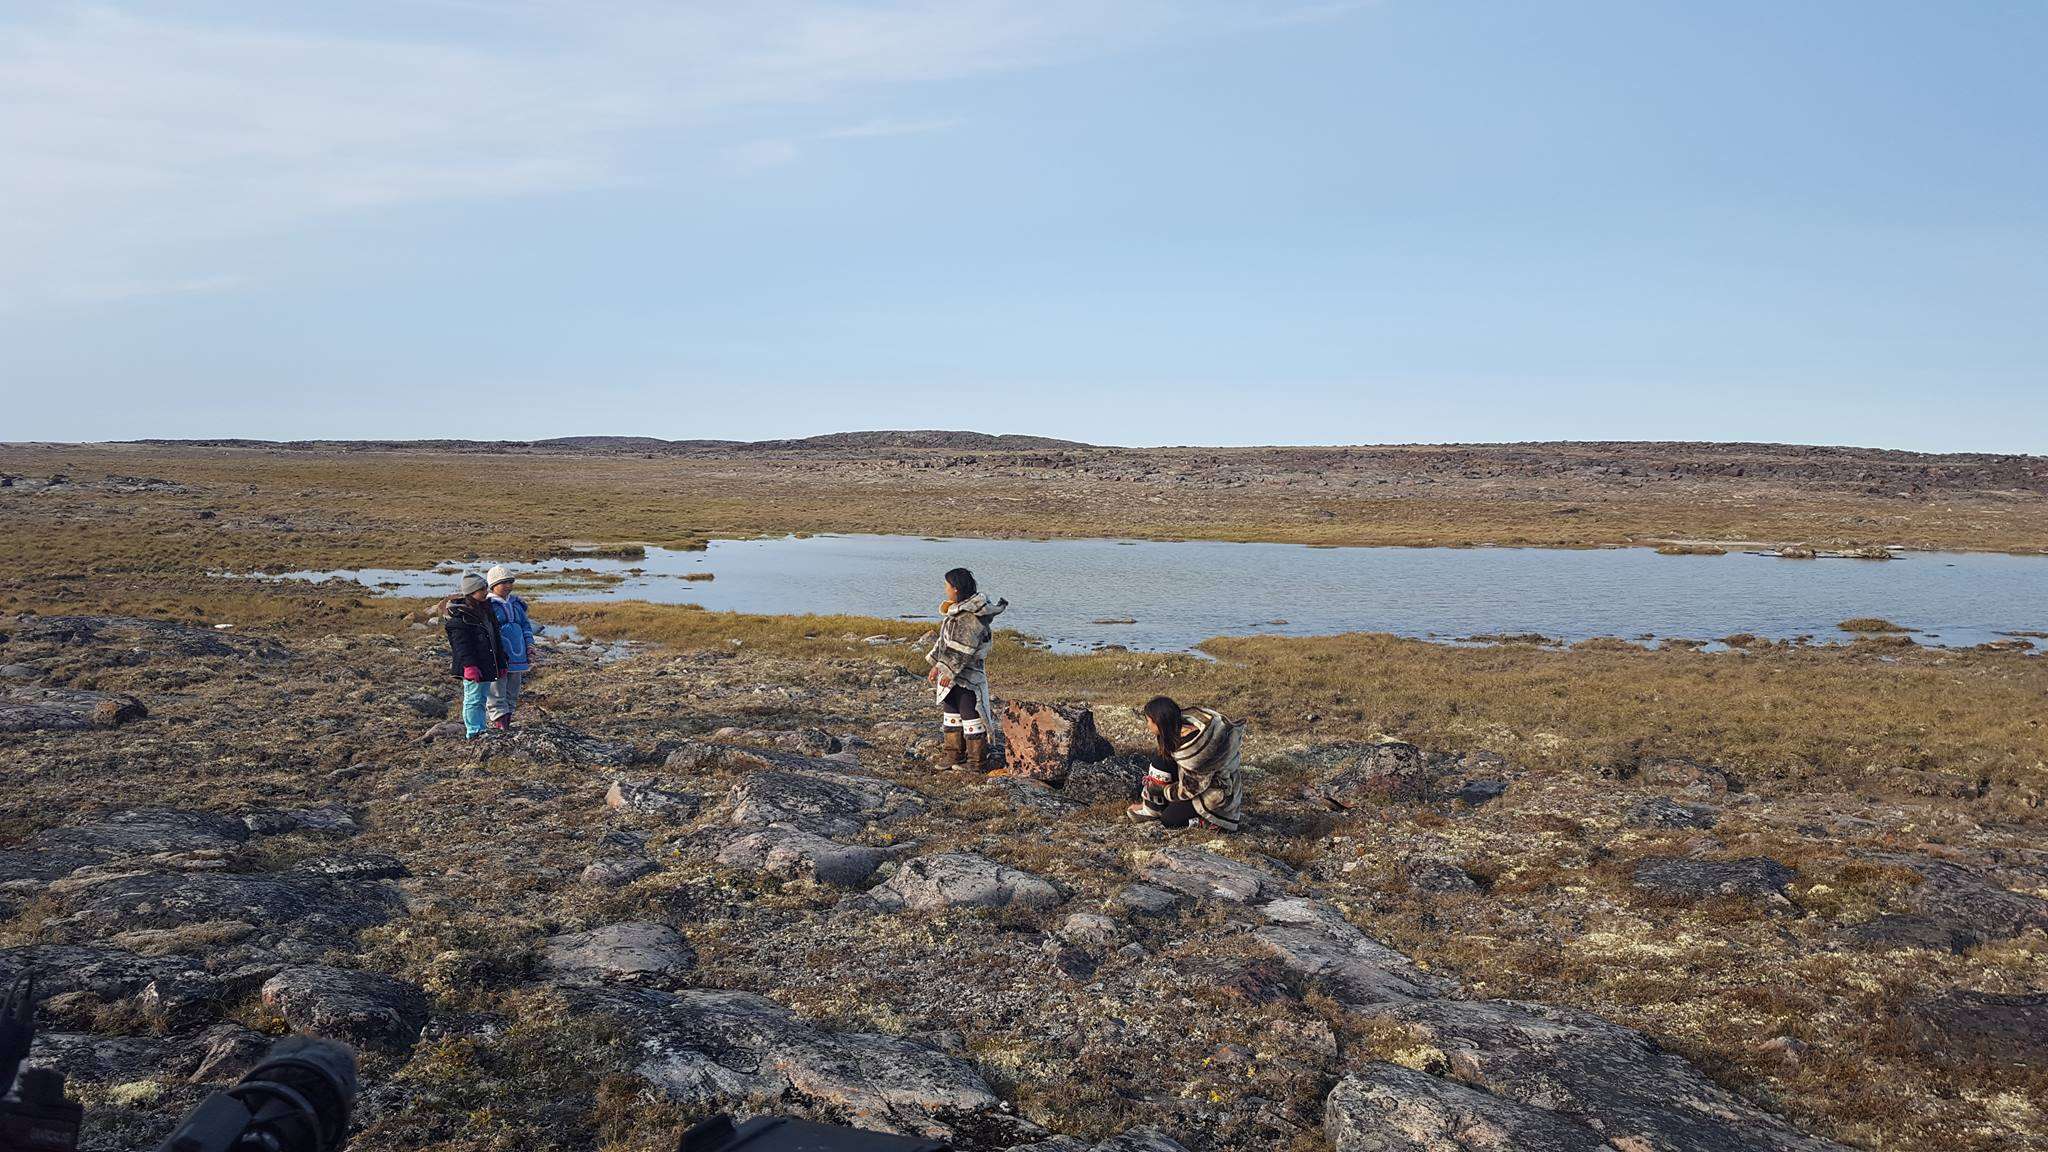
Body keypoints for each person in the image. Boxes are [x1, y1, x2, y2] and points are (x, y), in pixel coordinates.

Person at [925, 567, 1007, 772]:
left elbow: (962, 648)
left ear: (956, 589)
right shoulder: (956, 611)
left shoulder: (971, 617)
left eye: (947, 586)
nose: (945, 589)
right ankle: (954, 753)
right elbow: (944, 642)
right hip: (954, 673)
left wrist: (948, 671)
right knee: (951, 709)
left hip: (968, 675)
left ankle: (976, 762)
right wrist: (937, 665)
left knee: (970, 713)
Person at [1127, 695, 1243, 831]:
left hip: (1215, 796)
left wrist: (1164, 791)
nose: (1147, 725)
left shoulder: (1196, 752)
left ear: (1158, 722)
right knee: (1161, 759)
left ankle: (1209, 822)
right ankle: (1152, 808)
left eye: (1148, 721)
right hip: (1200, 786)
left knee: (1169, 819)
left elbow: (1191, 788)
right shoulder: (1176, 731)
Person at [443, 572, 507, 739]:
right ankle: (474, 732)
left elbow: (496, 639)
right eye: (482, 589)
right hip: (474, 666)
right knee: (473, 699)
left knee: (482, 698)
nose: (486, 591)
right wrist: (469, 666)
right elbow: (461, 646)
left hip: (487, 663)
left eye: (485, 587)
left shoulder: (486, 611)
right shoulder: (460, 618)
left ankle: (481, 729)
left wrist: (501, 663)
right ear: (471, 592)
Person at [484, 565, 536, 730]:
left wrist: (529, 644)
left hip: (518, 655)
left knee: (513, 689)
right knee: (497, 689)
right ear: (493, 585)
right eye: (503, 582)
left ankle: (508, 720)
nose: (507, 586)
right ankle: (499, 722)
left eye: (510, 582)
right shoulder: (488, 606)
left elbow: (526, 626)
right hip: (498, 656)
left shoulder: (517, 604)